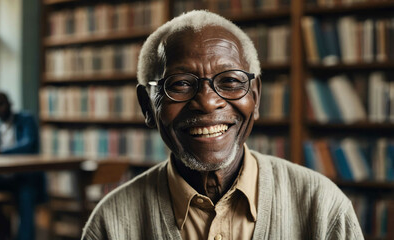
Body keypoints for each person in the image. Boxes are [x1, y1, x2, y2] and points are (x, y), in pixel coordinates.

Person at [82, 10, 364, 239]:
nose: (207, 102)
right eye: (180, 84)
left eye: (229, 81)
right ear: (147, 106)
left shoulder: (323, 207)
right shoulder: (111, 224)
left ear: (255, 97)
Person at [0, 91, 46, 240]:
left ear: (10, 103)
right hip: (2, 178)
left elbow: (28, 144)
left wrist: (0, 151)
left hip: (24, 177)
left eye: (1, 104)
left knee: (26, 197)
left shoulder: (26, 119)